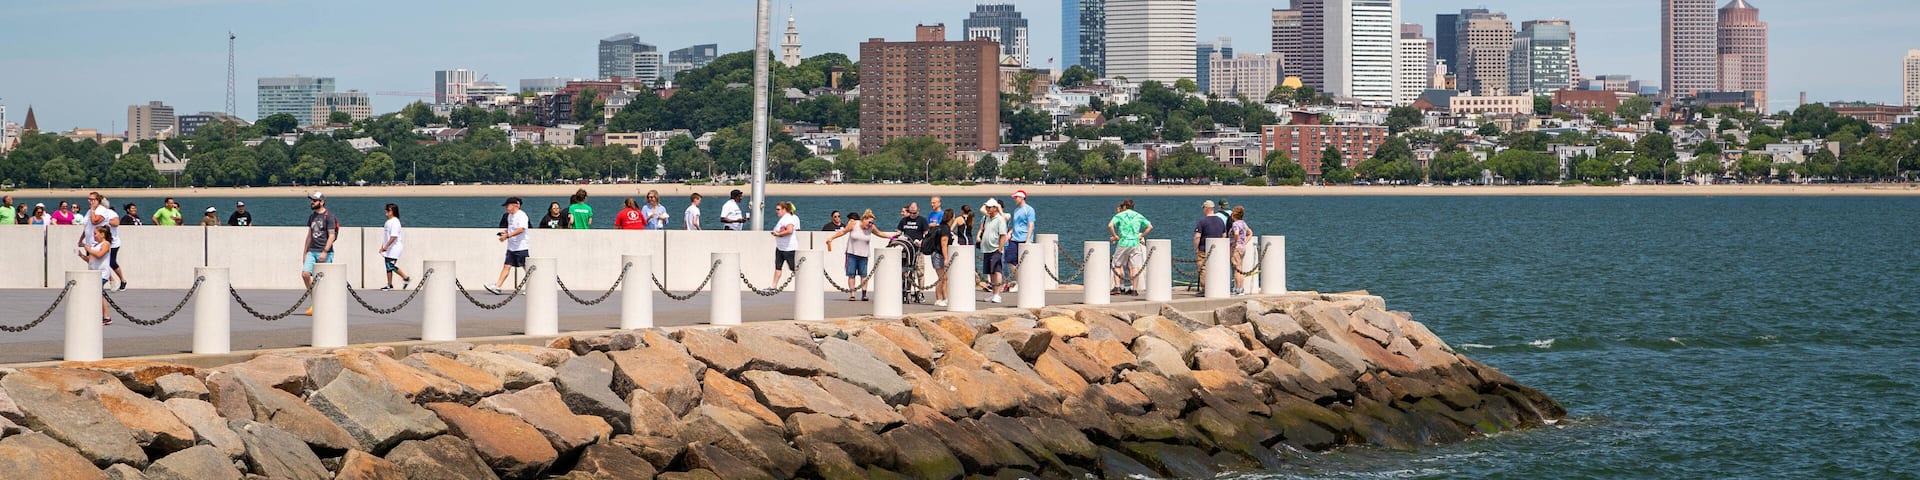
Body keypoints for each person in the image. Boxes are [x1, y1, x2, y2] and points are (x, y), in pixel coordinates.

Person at [825, 209, 886, 301]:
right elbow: (843, 231)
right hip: (852, 253)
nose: (870, 224)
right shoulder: (854, 224)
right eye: (869, 222)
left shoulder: (871, 227)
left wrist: (892, 237)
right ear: (864, 219)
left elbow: (879, 233)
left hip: (864, 254)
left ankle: (864, 294)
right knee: (851, 274)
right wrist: (832, 238)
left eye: (872, 223)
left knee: (863, 275)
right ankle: (852, 294)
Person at [301, 192, 339, 315]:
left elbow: (332, 235)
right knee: (306, 274)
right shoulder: (312, 217)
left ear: (322, 202)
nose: (312, 202)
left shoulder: (329, 216)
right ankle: (315, 302)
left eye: (314, 200)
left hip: (325, 251)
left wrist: (325, 252)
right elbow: (309, 235)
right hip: (312, 251)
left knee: (324, 281)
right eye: (311, 200)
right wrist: (305, 252)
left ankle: (327, 305)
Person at [485, 197, 530, 294]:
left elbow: (521, 229)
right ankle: (498, 286)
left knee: (526, 267)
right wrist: (504, 233)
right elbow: (512, 228)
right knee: (507, 266)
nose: (506, 208)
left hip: (521, 246)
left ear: (515, 205)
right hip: (511, 247)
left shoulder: (522, 215)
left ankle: (532, 287)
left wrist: (508, 236)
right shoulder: (509, 216)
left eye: (508, 206)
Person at [1108, 199, 1153, 296]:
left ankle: (1118, 287)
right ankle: (1134, 289)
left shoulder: (1120, 215)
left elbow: (1110, 225)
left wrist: (1115, 235)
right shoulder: (1138, 215)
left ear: (1124, 206)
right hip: (1135, 243)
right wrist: (1141, 236)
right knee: (1134, 267)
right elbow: (1150, 226)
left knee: (1117, 265)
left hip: (1123, 242)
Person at [83, 193, 125, 292]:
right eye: (89, 199)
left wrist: (106, 221)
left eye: (93, 200)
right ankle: (111, 280)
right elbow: (87, 226)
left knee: (110, 262)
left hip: (106, 241)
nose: (90, 202)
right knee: (93, 262)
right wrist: (82, 239)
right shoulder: (90, 211)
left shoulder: (105, 212)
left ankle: (120, 280)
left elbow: (113, 223)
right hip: (91, 241)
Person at [1003, 190, 1036, 293]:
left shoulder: (1029, 210)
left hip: (1024, 239)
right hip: (1014, 238)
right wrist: (1010, 233)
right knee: (1009, 259)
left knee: (1024, 262)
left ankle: (1023, 283)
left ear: (1022, 198)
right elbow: (1016, 224)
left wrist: (1028, 240)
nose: (1015, 199)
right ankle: (1019, 281)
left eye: (1016, 197)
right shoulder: (1016, 210)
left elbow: (1031, 225)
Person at [1193, 200, 1229, 292]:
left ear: (1206, 209)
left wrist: (1196, 248)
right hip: (1216, 251)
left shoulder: (1202, 221)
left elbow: (1197, 237)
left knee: (1203, 269)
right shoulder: (1220, 221)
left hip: (1203, 249)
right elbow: (1224, 235)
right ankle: (1217, 287)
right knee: (1215, 269)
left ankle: (1205, 289)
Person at [977, 198, 1009, 303]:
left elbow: (1003, 235)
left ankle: (997, 294)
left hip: (995, 249)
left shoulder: (1000, 219)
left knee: (997, 271)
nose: (987, 209)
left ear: (995, 208)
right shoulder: (987, 218)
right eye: (987, 207)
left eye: (989, 207)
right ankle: (993, 293)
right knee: (990, 272)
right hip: (987, 249)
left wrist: (999, 249)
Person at [83, 225, 114, 325]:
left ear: (102, 234)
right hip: (94, 273)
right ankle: (104, 316)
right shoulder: (96, 245)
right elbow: (91, 259)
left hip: (102, 274)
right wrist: (82, 255)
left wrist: (89, 249)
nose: (94, 236)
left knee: (97, 294)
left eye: (95, 234)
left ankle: (106, 316)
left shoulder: (106, 244)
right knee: (98, 295)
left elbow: (100, 255)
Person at [924, 209, 956, 307]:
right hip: (938, 255)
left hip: (938, 254)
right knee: (942, 278)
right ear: (952, 218)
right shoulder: (945, 229)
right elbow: (944, 244)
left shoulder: (941, 227)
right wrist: (946, 258)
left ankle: (945, 298)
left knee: (944, 278)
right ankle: (938, 298)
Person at [380, 203, 411, 290]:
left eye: (388, 210)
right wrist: (382, 246)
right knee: (388, 266)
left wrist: (386, 246)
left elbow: (393, 236)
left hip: (394, 247)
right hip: (388, 247)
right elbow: (386, 236)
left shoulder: (395, 222)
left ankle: (405, 277)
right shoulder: (387, 222)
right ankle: (389, 284)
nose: (386, 211)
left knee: (390, 265)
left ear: (393, 211)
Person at [769, 201, 800, 289]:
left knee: (793, 267)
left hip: (789, 249)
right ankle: (773, 286)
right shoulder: (782, 219)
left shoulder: (788, 218)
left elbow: (790, 230)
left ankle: (805, 283)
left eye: (778, 209)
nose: (777, 211)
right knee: (778, 267)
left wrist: (778, 234)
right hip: (780, 247)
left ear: (784, 209)